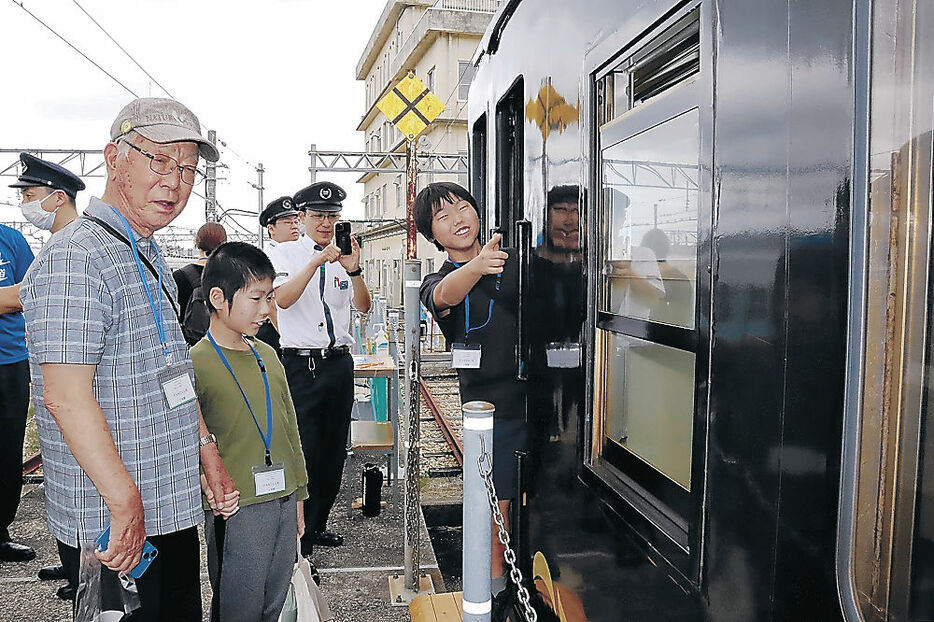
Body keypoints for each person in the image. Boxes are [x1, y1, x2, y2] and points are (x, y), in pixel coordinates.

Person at [20, 97, 237, 621]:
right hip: (115, 520)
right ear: (114, 157)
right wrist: (123, 502)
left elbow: (172, 368)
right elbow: (64, 396)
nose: (175, 180)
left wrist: (205, 448)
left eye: (187, 167)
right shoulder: (77, 255)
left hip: (169, 501)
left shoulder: (145, 249)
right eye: (158, 159)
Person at [414, 181, 527, 595]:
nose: (458, 219)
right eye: (443, 217)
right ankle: (495, 588)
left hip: (536, 396)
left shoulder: (515, 260)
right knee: (498, 501)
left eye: (463, 207)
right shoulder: (438, 279)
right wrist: (478, 265)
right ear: (433, 235)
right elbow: (443, 296)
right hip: (489, 406)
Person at [191, 241, 308, 622]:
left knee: (275, 601)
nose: (266, 309)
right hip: (237, 507)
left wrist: (300, 494)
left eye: (269, 297)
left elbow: (289, 425)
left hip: (283, 498)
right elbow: (188, 439)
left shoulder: (268, 353)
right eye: (256, 297)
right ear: (218, 298)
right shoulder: (195, 363)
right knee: (238, 607)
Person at [268, 181, 371, 559]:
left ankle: (318, 523)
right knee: (306, 448)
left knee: (332, 450)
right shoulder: (285, 254)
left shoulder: (346, 255)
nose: (327, 223)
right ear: (302, 217)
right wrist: (315, 262)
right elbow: (282, 298)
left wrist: (355, 270)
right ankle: (299, 536)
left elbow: (363, 306)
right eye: (319, 216)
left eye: (332, 216)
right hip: (302, 363)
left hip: (338, 362)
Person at [3, 153, 86, 599]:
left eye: (31, 196)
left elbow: (18, 297)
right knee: (62, 473)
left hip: (68, 379)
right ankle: (72, 561)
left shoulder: (71, 244)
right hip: (54, 375)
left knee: (76, 475)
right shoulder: (57, 241)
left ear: (58, 198)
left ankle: (82, 574)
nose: (25, 205)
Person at [0, 223, 35, 565]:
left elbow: (31, 290)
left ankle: (1, 531)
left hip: (11, 361)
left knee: (8, 450)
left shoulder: (11, 240)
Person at [256, 196, 301, 353]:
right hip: (276, 332)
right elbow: (272, 304)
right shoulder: (269, 257)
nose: (294, 226)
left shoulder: (299, 254)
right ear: (271, 228)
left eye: (296, 221)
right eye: (287, 222)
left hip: (297, 329)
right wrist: (289, 339)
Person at [173, 222, 227, 345]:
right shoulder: (232, 275)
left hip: (192, 346)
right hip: (225, 345)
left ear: (197, 243)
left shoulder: (180, 276)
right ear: (224, 244)